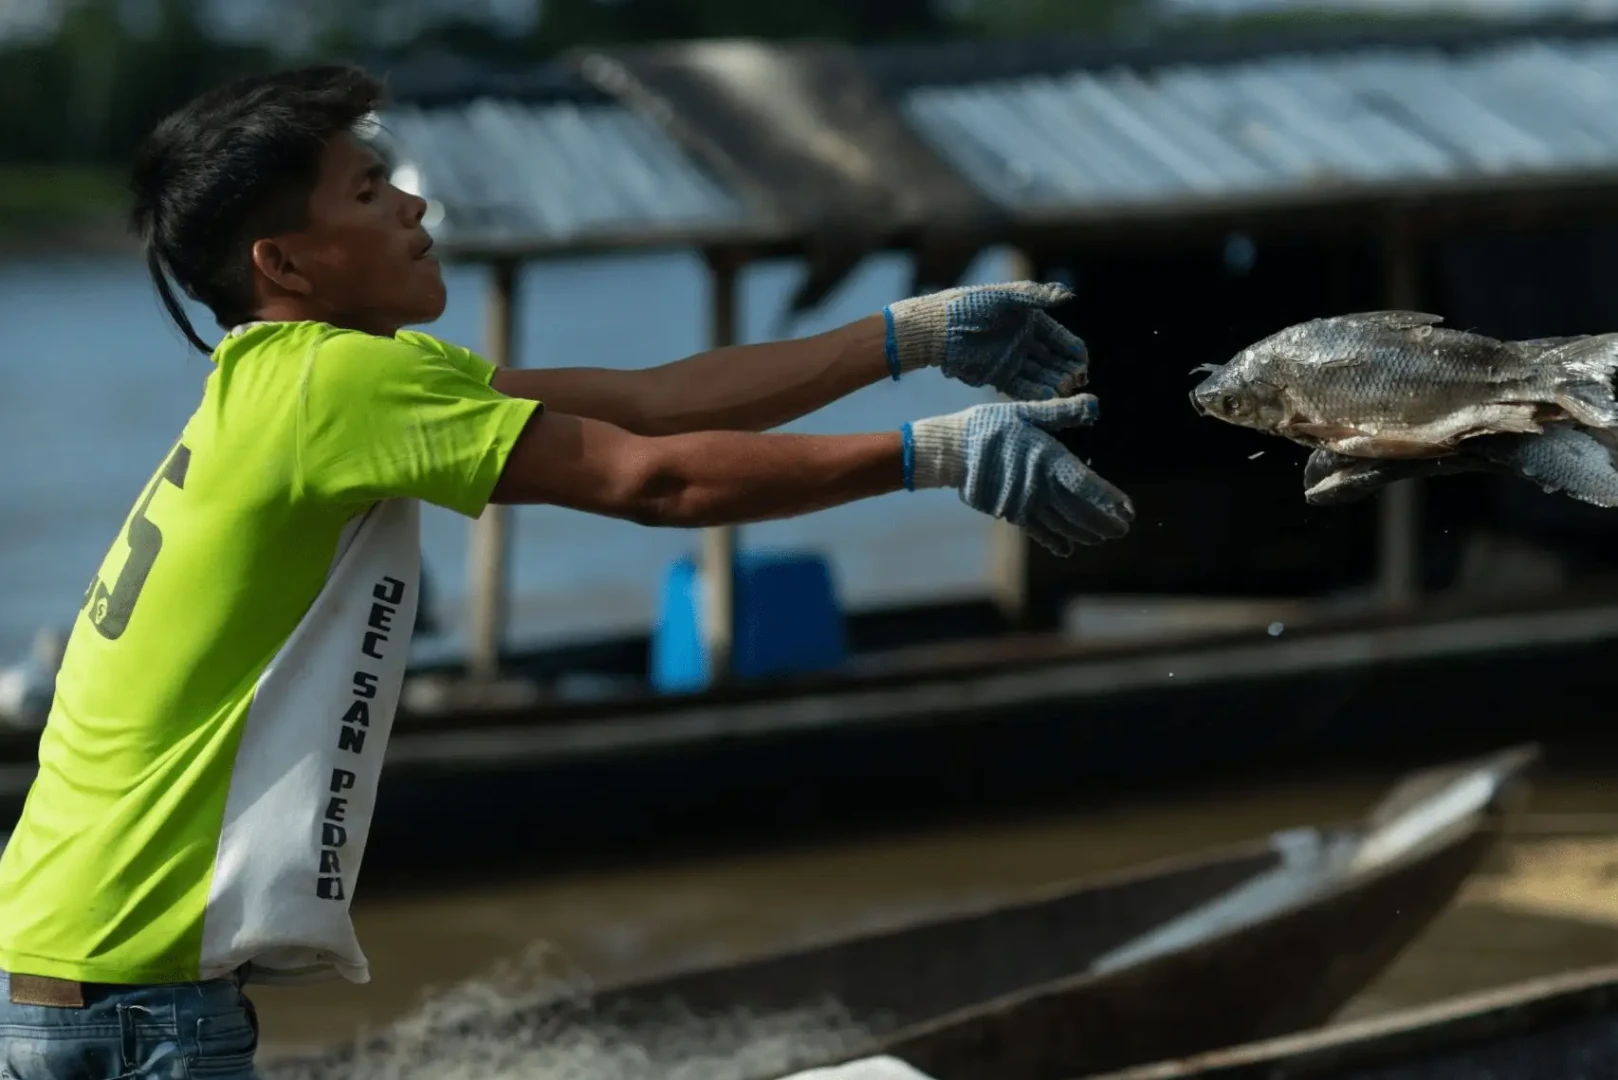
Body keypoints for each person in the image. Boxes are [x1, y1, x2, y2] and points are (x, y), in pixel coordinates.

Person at [0, 65, 1133, 1078]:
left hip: (70, 963)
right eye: (365, 193)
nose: (410, 206)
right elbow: (654, 481)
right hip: (138, 1010)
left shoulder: (289, 382)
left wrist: (913, 333)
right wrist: (932, 454)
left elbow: (651, 402)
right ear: (283, 262)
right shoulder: (338, 386)